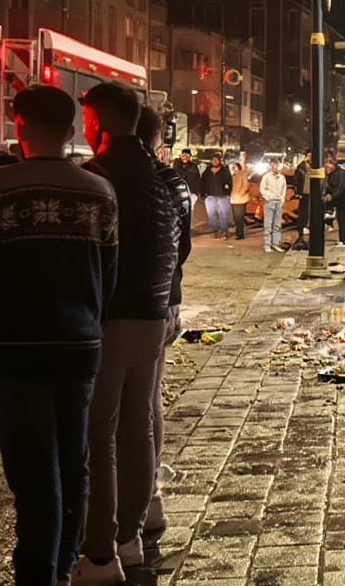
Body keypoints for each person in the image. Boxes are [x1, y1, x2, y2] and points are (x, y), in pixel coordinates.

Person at [0, 86, 118, 586]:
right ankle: (62, 566)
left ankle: (36, 572)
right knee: (73, 461)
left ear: (19, 128)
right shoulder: (99, 191)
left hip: (15, 348)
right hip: (79, 346)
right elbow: (109, 276)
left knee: (31, 468)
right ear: (71, 132)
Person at [73, 82, 178, 585]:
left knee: (101, 433)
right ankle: (131, 538)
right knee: (137, 428)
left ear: (98, 123)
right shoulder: (160, 175)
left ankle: (99, 551)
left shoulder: (101, 174)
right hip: (153, 313)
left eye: (88, 121)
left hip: (112, 316)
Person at [135, 106, 192, 535]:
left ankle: (121, 517)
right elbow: (182, 245)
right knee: (148, 400)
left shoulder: (104, 175)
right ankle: (149, 496)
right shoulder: (172, 180)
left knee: (110, 416)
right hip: (164, 301)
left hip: (119, 309)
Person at [324, 156, 345, 248]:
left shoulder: (341, 173)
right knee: (340, 219)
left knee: (342, 219)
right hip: (339, 200)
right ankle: (342, 239)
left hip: (344, 200)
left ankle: (343, 240)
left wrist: (332, 197)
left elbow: (341, 188)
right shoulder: (332, 174)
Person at [200, 152, 232, 239]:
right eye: (213, 160)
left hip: (223, 196)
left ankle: (224, 231)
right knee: (211, 214)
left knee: (224, 214)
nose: (215, 161)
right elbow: (202, 183)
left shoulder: (224, 171)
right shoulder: (207, 172)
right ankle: (216, 230)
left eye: (217, 160)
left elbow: (230, 182)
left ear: (219, 161)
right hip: (210, 196)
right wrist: (203, 194)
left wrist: (227, 190)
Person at [260, 160, 286, 253]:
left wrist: (282, 199)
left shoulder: (282, 178)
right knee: (268, 224)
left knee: (277, 225)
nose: (276, 166)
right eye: (274, 164)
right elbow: (262, 189)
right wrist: (267, 197)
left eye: (277, 165)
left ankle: (276, 243)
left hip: (278, 202)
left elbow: (284, 189)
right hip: (270, 202)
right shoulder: (266, 177)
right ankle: (267, 244)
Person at [292, 150, 310, 248]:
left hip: (313, 195)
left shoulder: (315, 165)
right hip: (304, 194)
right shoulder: (301, 168)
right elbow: (296, 180)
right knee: (302, 215)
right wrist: (298, 193)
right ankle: (301, 235)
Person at [230, 162, 251, 241]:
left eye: (235, 167)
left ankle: (240, 234)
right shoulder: (232, 176)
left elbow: (245, 186)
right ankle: (238, 232)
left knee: (239, 217)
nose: (233, 168)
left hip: (241, 199)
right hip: (233, 199)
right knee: (236, 217)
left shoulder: (242, 176)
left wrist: (240, 194)